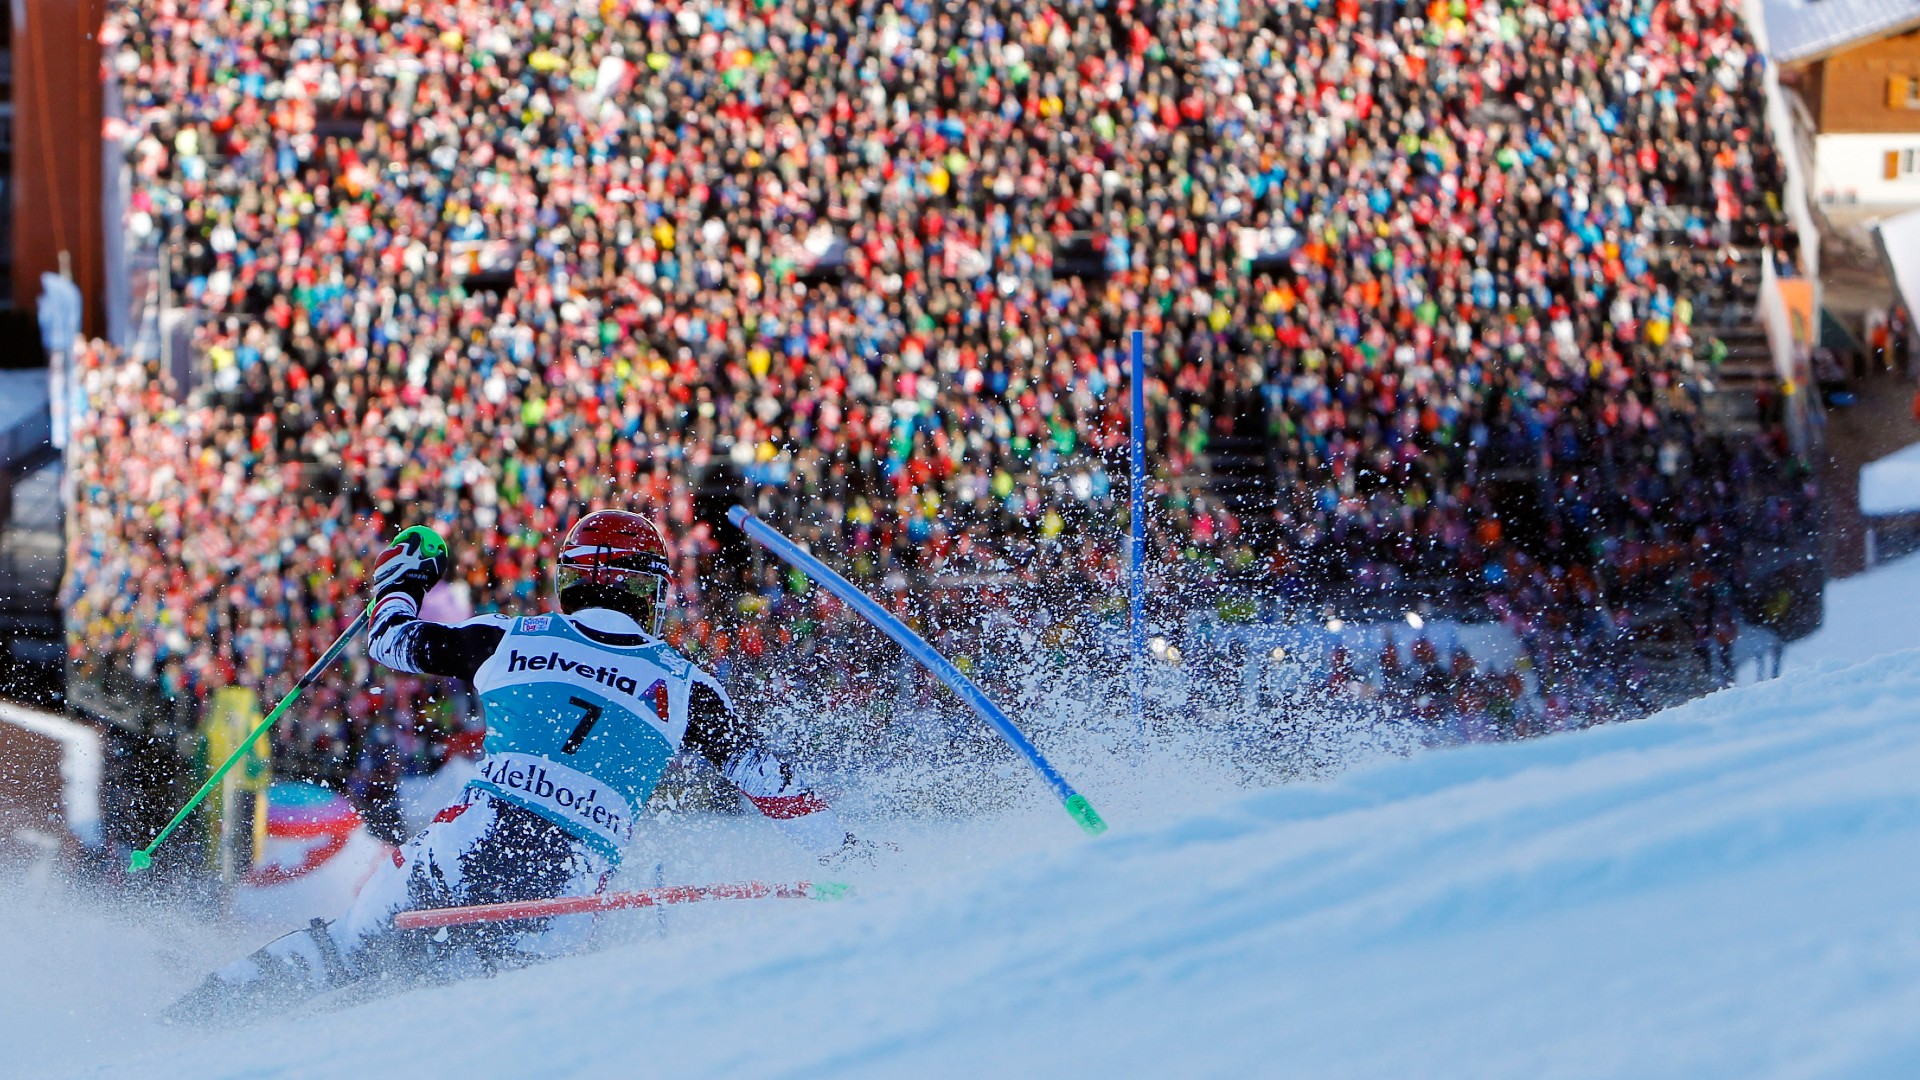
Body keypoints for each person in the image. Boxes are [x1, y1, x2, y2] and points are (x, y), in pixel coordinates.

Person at [172, 512, 863, 1018]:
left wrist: (401, 579)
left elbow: (389, 641)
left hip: (461, 847)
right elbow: (775, 789)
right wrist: (858, 861)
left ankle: (197, 1015)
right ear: (648, 592)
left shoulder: (505, 637)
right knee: (487, 1017)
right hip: (564, 886)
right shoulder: (687, 686)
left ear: (572, 583)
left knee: (345, 953)